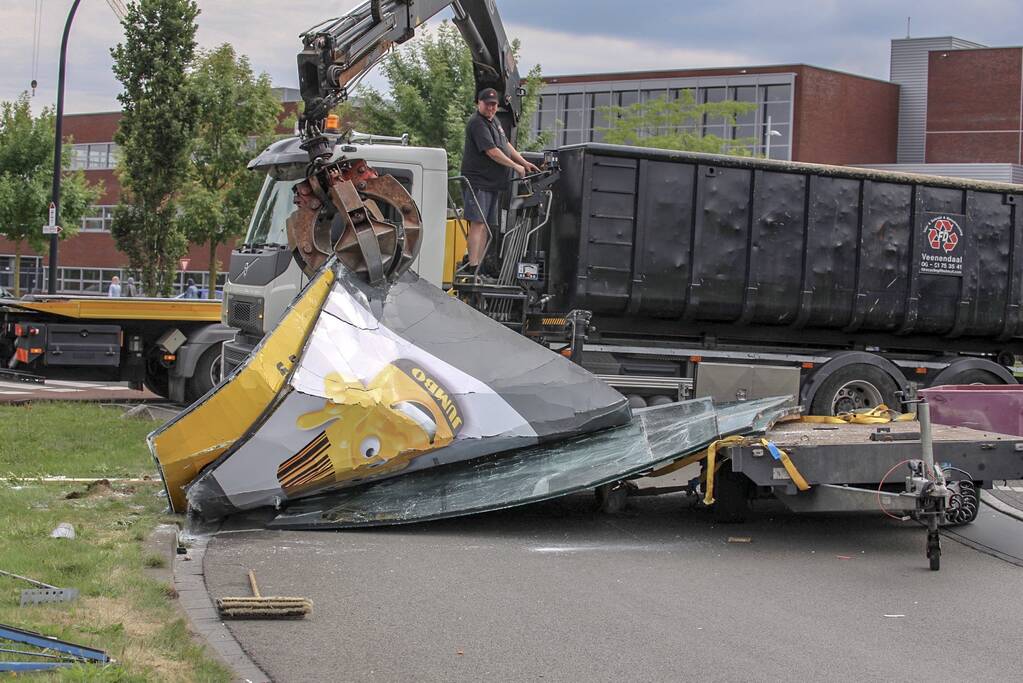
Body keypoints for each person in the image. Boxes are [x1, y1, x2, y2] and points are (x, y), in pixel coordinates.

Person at [459, 87, 539, 270]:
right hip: (478, 182)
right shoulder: (477, 123)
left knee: (487, 226)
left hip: (492, 183)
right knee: (478, 223)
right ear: (478, 103)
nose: (491, 108)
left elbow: (505, 145)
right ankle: (473, 265)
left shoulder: (494, 121)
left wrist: (524, 162)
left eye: (494, 105)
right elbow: (492, 151)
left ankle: (480, 267)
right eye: (488, 104)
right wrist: (515, 166)